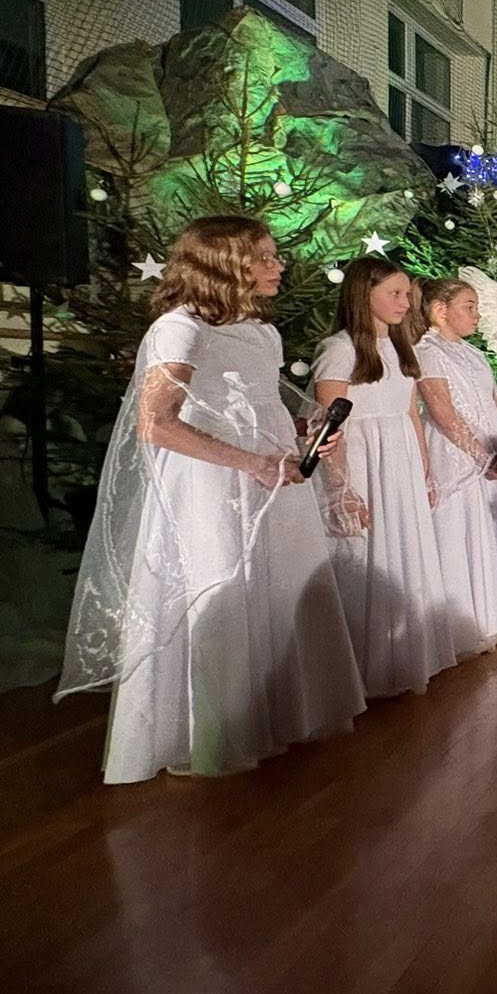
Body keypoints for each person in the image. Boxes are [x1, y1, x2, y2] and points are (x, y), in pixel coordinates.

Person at [58, 216, 366, 783]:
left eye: (275, 255)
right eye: (264, 257)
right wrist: (254, 463)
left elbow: (262, 400)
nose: (278, 266)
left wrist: (309, 431)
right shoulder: (180, 329)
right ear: (224, 264)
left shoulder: (261, 331)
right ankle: (212, 733)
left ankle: (272, 717)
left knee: (275, 584)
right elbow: (155, 423)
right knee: (220, 585)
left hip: (270, 475)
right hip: (212, 480)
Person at [314, 258, 469, 695]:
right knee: (365, 556)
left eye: (406, 295)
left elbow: (410, 413)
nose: (405, 303)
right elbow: (330, 423)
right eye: (394, 294)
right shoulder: (341, 349)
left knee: (402, 548)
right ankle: (360, 669)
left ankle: (400, 659)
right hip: (364, 460)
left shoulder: (402, 348)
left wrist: (424, 467)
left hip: (399, 461)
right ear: (365, 296)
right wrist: (341, 487)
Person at [418, 278, 497, 650]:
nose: (477, 315)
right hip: (459, 458)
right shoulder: (427, 352)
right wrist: (482, 457)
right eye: (469, 307)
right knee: (460, 532)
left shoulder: (473, 353)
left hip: (492, 457)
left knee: (490, 534)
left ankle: (492, 616)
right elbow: (443, 412)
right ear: (440, 310)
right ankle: (460, 627)